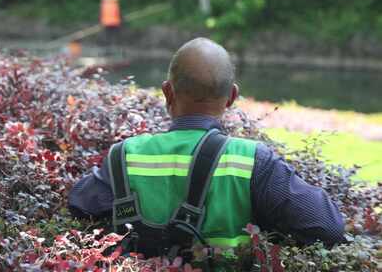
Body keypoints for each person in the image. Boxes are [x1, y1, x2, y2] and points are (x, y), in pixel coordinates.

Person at [68, 38, 345, 255]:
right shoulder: (253, 161)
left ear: (167, 92)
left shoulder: (124, 156)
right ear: (232, 97)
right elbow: (328, 229)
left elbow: (79, 204)